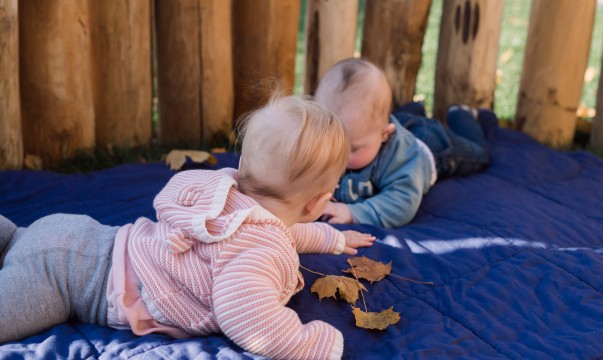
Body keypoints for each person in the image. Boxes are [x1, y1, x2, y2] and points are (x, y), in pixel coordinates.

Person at [0, 95, 376, 359]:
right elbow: (247, 317)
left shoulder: (226, 201)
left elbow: (286, 232)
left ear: (243, 164)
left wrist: (333, 238)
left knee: (14, 238)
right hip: (66, 279)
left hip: (79, 236)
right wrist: (314, 344)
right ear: (315, 203)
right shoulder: (257, 251)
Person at [315, 57, 491, 228]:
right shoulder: (360, 132)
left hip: (431, 145)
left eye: (352, 149)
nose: (339, 155)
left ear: (385, 135)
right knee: (399, 117)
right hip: (397, 122)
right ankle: (416, 107)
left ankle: (461, 115)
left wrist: (352, 212)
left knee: (479, 154)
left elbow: (402, 202)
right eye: (331, 142)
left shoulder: (401, 157)